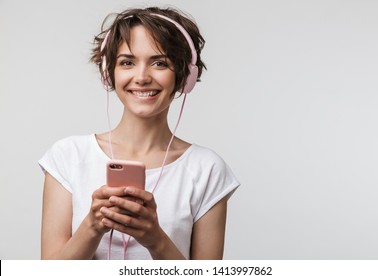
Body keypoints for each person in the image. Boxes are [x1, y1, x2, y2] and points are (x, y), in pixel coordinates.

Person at [39, 6, 240, 260]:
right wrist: (93, 225)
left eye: (159, 63)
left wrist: (154, 238)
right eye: (127, 62)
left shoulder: (207, 169)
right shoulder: (67, 157)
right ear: (107, 72)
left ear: (184, 76)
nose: (142, 77)